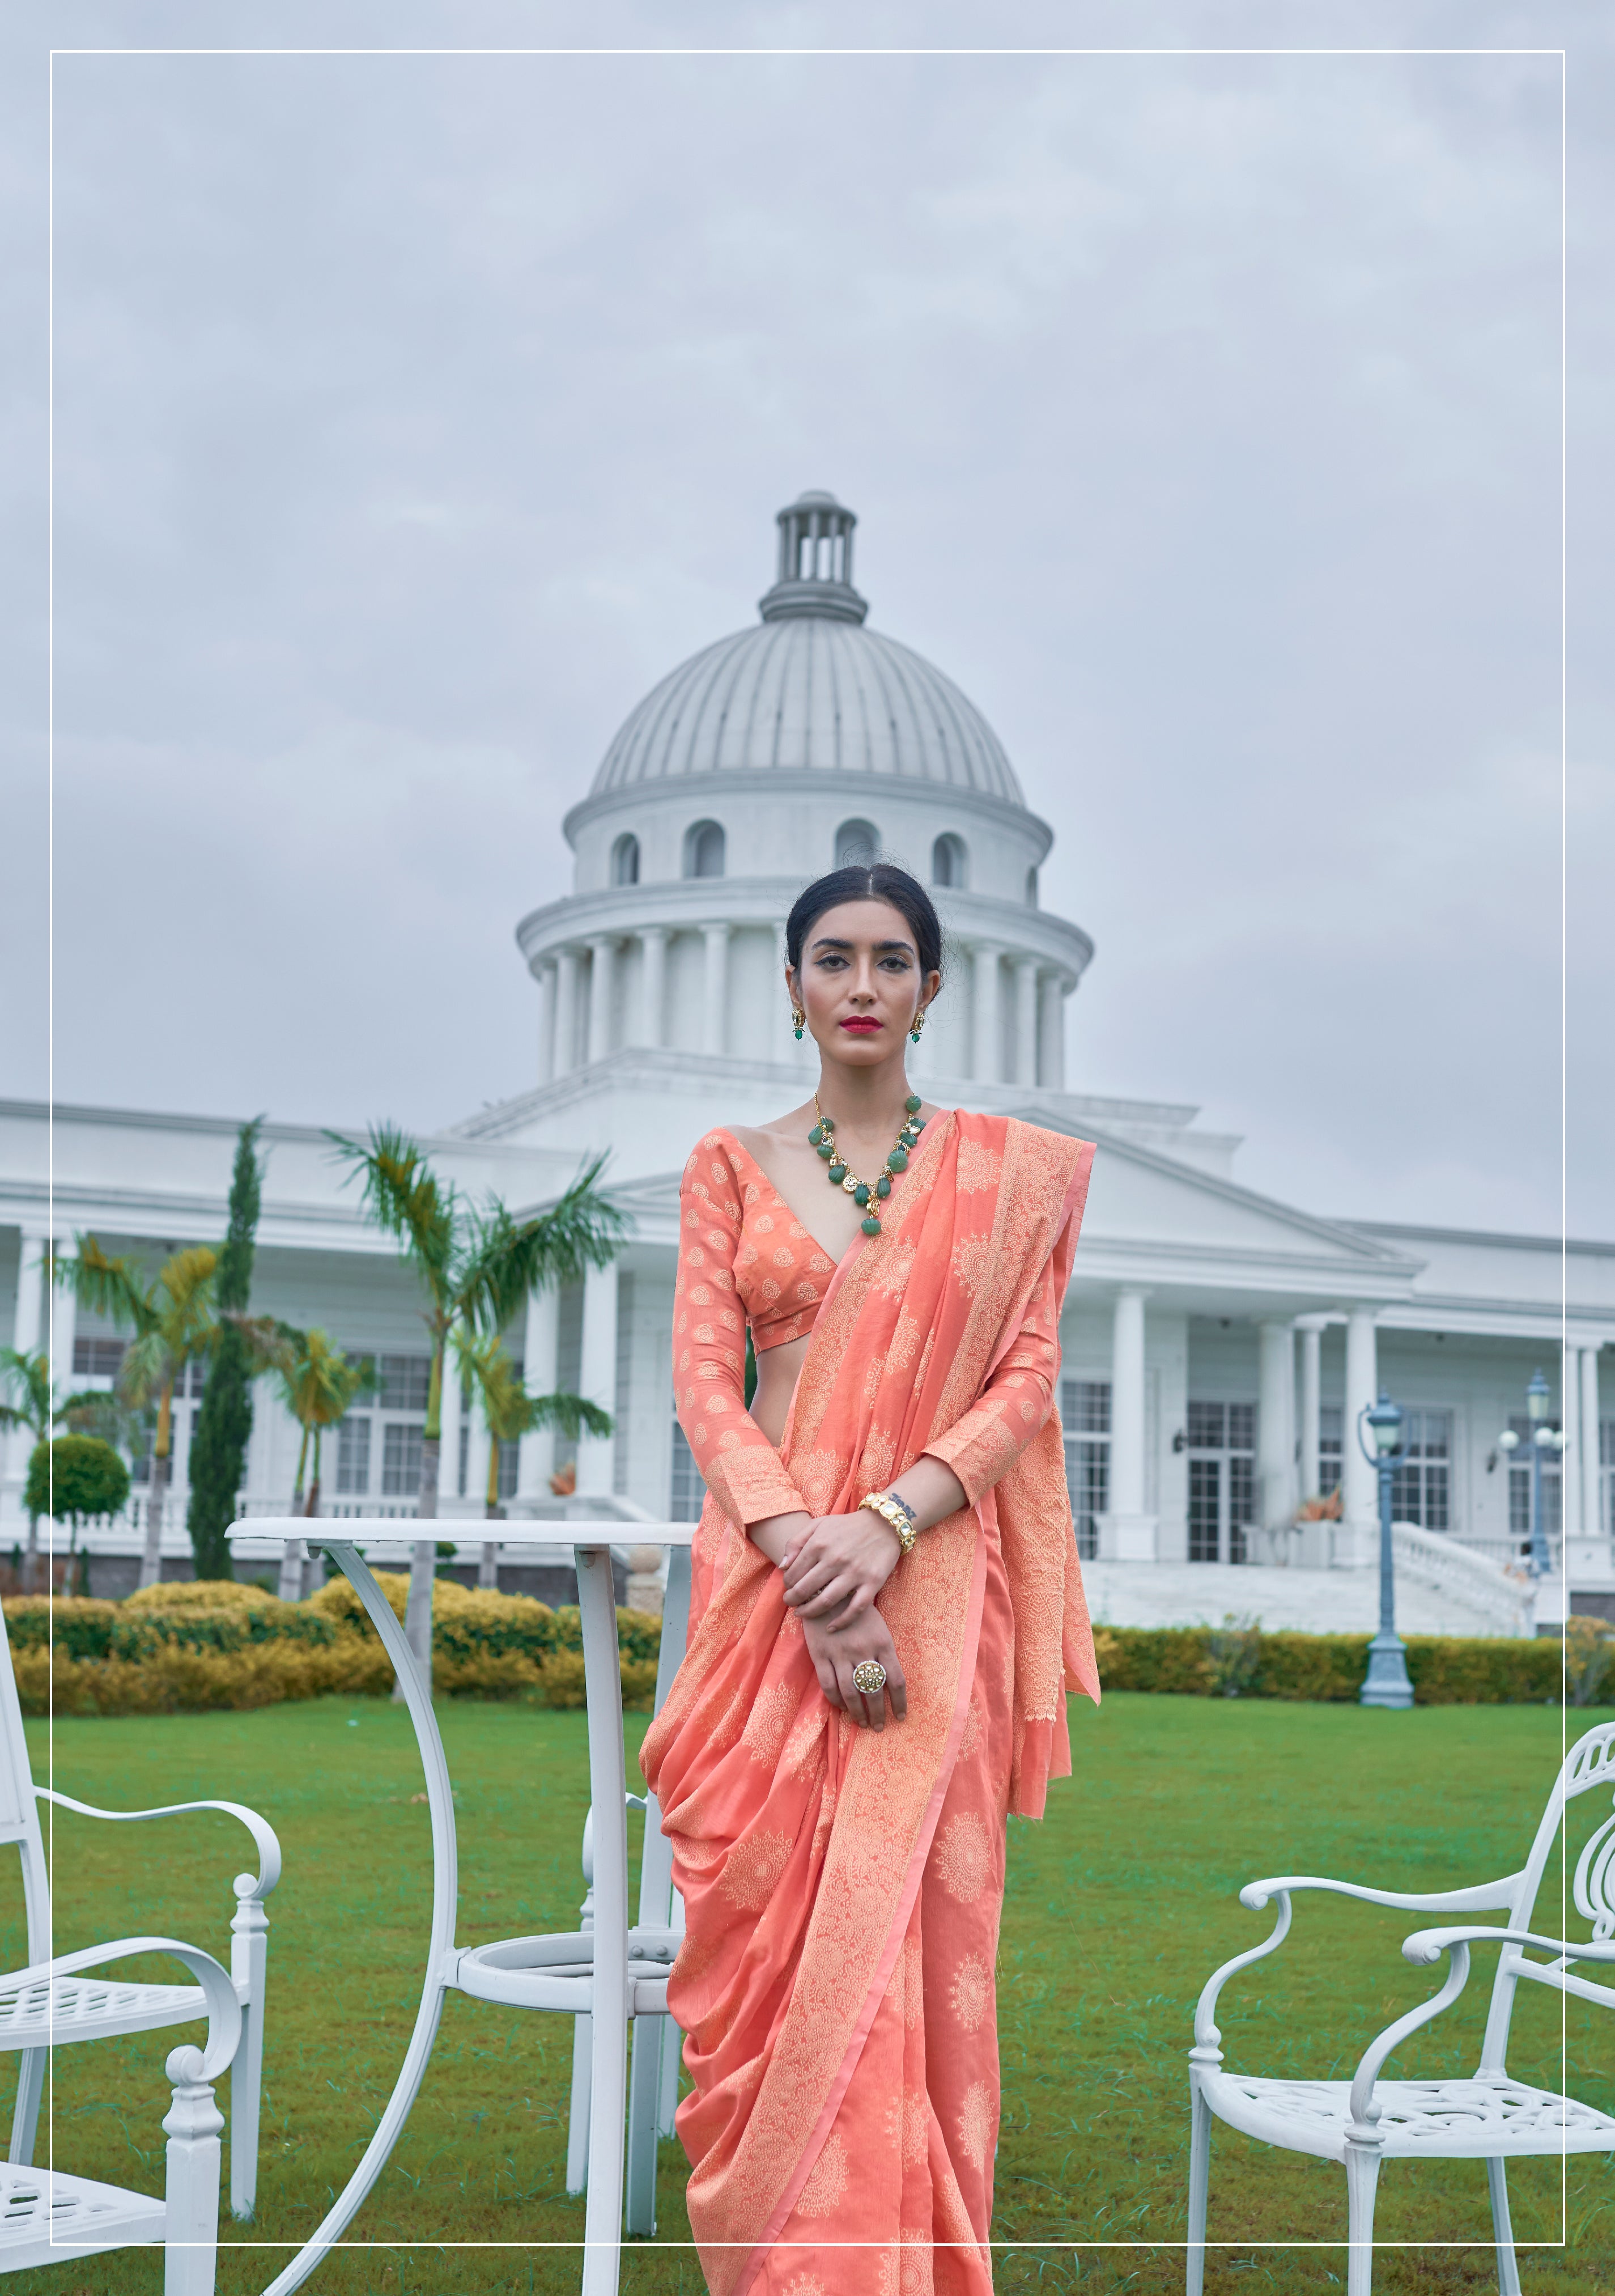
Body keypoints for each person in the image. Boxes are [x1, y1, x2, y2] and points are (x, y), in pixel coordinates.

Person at [641, 861, 1100, 2296]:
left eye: (890, 960)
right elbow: (708, 1392)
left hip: (937, 1580)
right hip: (766, 1598)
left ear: (931, 988)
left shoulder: (1004, 1180)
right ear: (790, 987)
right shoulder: (727, 1165)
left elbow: (1025, 1377)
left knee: (921, 1931)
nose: (860, 985)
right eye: (832, 958)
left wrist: (887, 1527)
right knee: (763, 1943)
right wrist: (810, 1555)